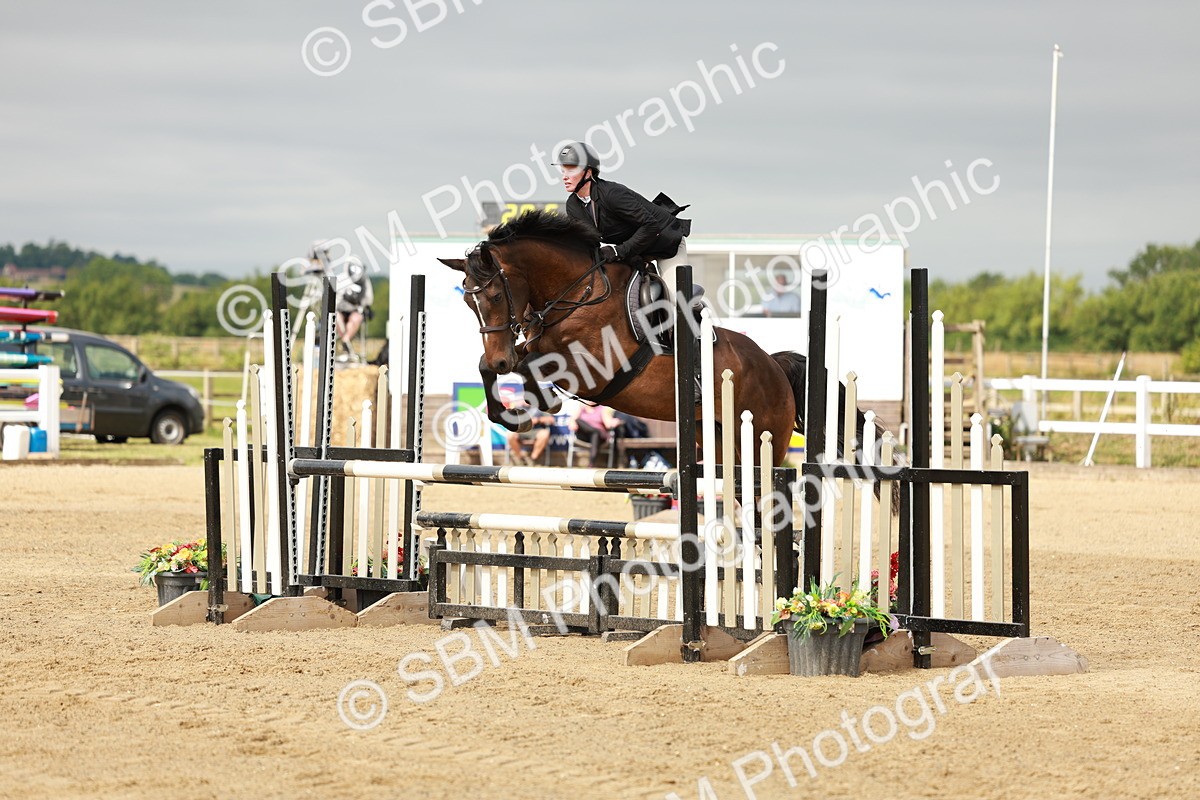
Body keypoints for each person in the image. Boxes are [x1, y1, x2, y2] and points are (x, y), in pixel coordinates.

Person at [554, 140, 703, 400]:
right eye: (563, 169)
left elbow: (651, 226)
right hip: (634, 251)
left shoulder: (613, 194)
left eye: (571, 169)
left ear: (588, 172)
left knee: (675, 301)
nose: (564, 175)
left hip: (664, 244)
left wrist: (619, 252)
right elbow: (588, 245)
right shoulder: (573, 205)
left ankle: (695, 374)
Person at [335, 256, 374, 360]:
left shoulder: (364, 281)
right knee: (336, 317)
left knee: (356, 318)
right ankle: (346, 346)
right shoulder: (341, 279)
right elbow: (336, 298)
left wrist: (360, 305)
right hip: (341, 310)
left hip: (355, 310)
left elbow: (368, 298)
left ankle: (345, 342)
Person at [567, 401, 623, 468]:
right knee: (578, 420)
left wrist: (615, 422)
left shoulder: (601, 409)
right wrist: (572, 423)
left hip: (599, 437)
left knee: (595, 434)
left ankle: (591, 464)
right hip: (584, 436)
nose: (590, 401)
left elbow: (608, 424)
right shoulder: (581, 409)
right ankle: (592, 464)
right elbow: (572, 422)